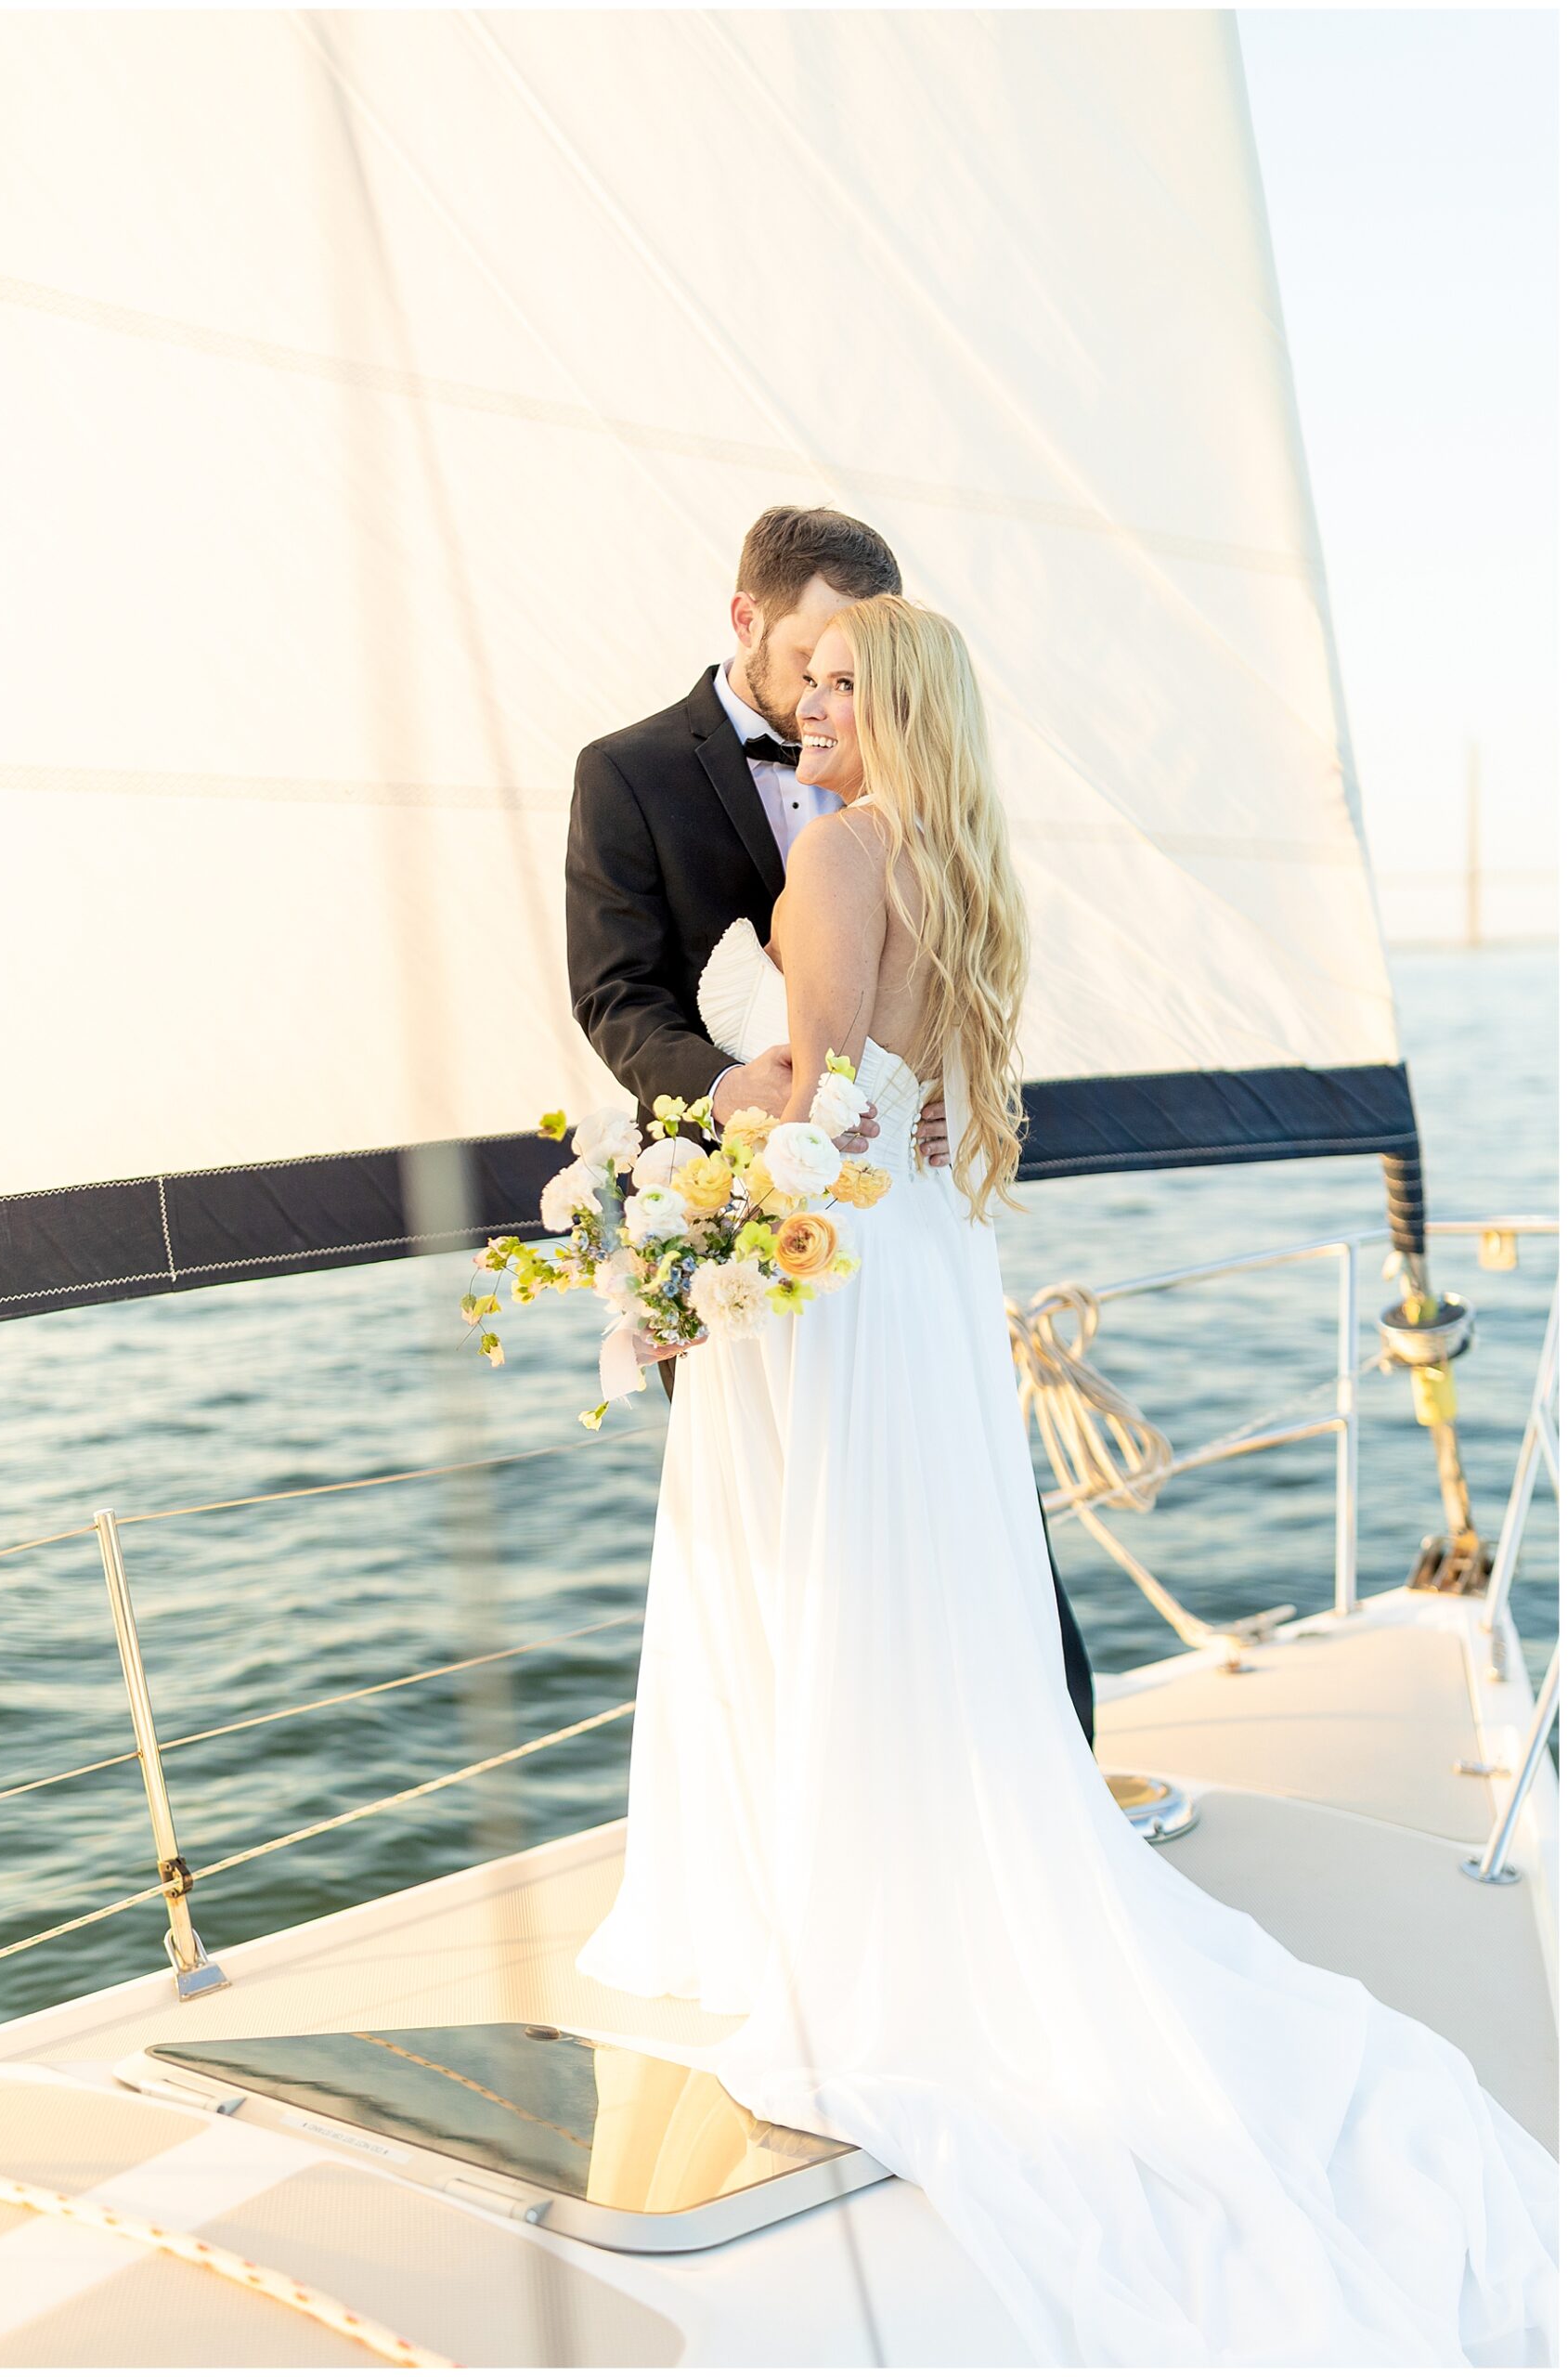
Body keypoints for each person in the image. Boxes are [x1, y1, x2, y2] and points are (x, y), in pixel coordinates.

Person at [573, 595, 1558, 2364]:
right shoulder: (953, 863)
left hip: (847, 1259)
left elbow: (821, 1110)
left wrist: (671, 1219)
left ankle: (842, 1880)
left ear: (902, 709)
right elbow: (930, 1103)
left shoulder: (838, 871)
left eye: (845, 690)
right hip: (931, 1256)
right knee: (918, 1566)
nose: (813, 713)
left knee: (843, 1572)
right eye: (805, 686)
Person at [565, 504, 1095, 1745]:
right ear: (745, 616)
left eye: (845, 675)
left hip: (831, 1209)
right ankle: (892, 1799)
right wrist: (724, 1089)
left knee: (924, 1507)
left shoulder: (876, 839)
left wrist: (902, 1105)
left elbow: (900, 1033)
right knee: (812, 1542)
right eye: (809, 661)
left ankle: (1024, 1776)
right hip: (784, 1202)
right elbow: (615, 996)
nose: (815, 690)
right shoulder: (628, 772)